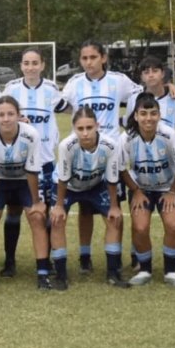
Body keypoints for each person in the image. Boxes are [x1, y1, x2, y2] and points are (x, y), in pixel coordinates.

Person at [59, 40, 142, 275]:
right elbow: (62, 105)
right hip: (83, 152)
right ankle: (85, 256)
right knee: (86, 209)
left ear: (103, 58)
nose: (89, 62)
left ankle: (123, 258)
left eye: (93, 57)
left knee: (114, 210)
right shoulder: (75, 83)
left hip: (111, 153)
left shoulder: (118, 80)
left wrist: (127, 120)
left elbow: (137, 92)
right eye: (84, 58)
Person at [0, 97, 58, 290]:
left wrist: (37, 202)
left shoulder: (31, 134)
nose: (6, 119)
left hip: (24, 180)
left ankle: (43, 273)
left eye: (10, 114)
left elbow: (32, 171)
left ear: (18, 115)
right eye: (1, 115)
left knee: (38, 217)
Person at [49, 107, 129, 289]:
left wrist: (114, 207)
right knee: (57, 220)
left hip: (95, 185)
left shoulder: (110, 145)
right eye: (80, 129)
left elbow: (112, 178)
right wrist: (59, 206)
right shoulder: (66, 146)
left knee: (114, 219)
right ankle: (61, 275)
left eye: (89, 128)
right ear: (74, 128)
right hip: (67, 187)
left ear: (97, 126)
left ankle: (113, 272)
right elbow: (62, 178)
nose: (85, 133)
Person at [120, 93, 175, 288]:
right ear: (135, 116)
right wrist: (135, 190)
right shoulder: (127, 137)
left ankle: (170, 271)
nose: (148, 118)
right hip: (140, 188)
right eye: (143, 113)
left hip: (167, 187)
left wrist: (172, 192)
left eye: (153, 113)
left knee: (173, 224)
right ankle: (145, 270)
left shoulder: (169, 134)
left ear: (159, 115)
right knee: (140, 227)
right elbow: (120, 167)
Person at [1, 47, 62, 276]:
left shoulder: (52, 89)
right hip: (16, 161)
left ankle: (47, 260)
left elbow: (70, 107)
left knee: (42, 212)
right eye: (26, 63)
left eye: (35, 63)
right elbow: (1, 116)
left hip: (44, 160)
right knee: (14, 210)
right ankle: (9, 261)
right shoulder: (11, 89)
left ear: (43, 65)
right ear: (21, 65)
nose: (30, 67)